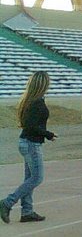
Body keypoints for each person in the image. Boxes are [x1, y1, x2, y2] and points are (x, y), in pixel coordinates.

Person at [0, 71, 57, 224]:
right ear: (42, 84)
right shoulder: (36, 102)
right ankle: (6, 203)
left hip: (27, 142)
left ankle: (27, 212)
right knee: (37, 178)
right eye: (47, 82)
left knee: (29, 178)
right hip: (31, 143)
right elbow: (31, 126)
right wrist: (48, 134)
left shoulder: (32, 100)